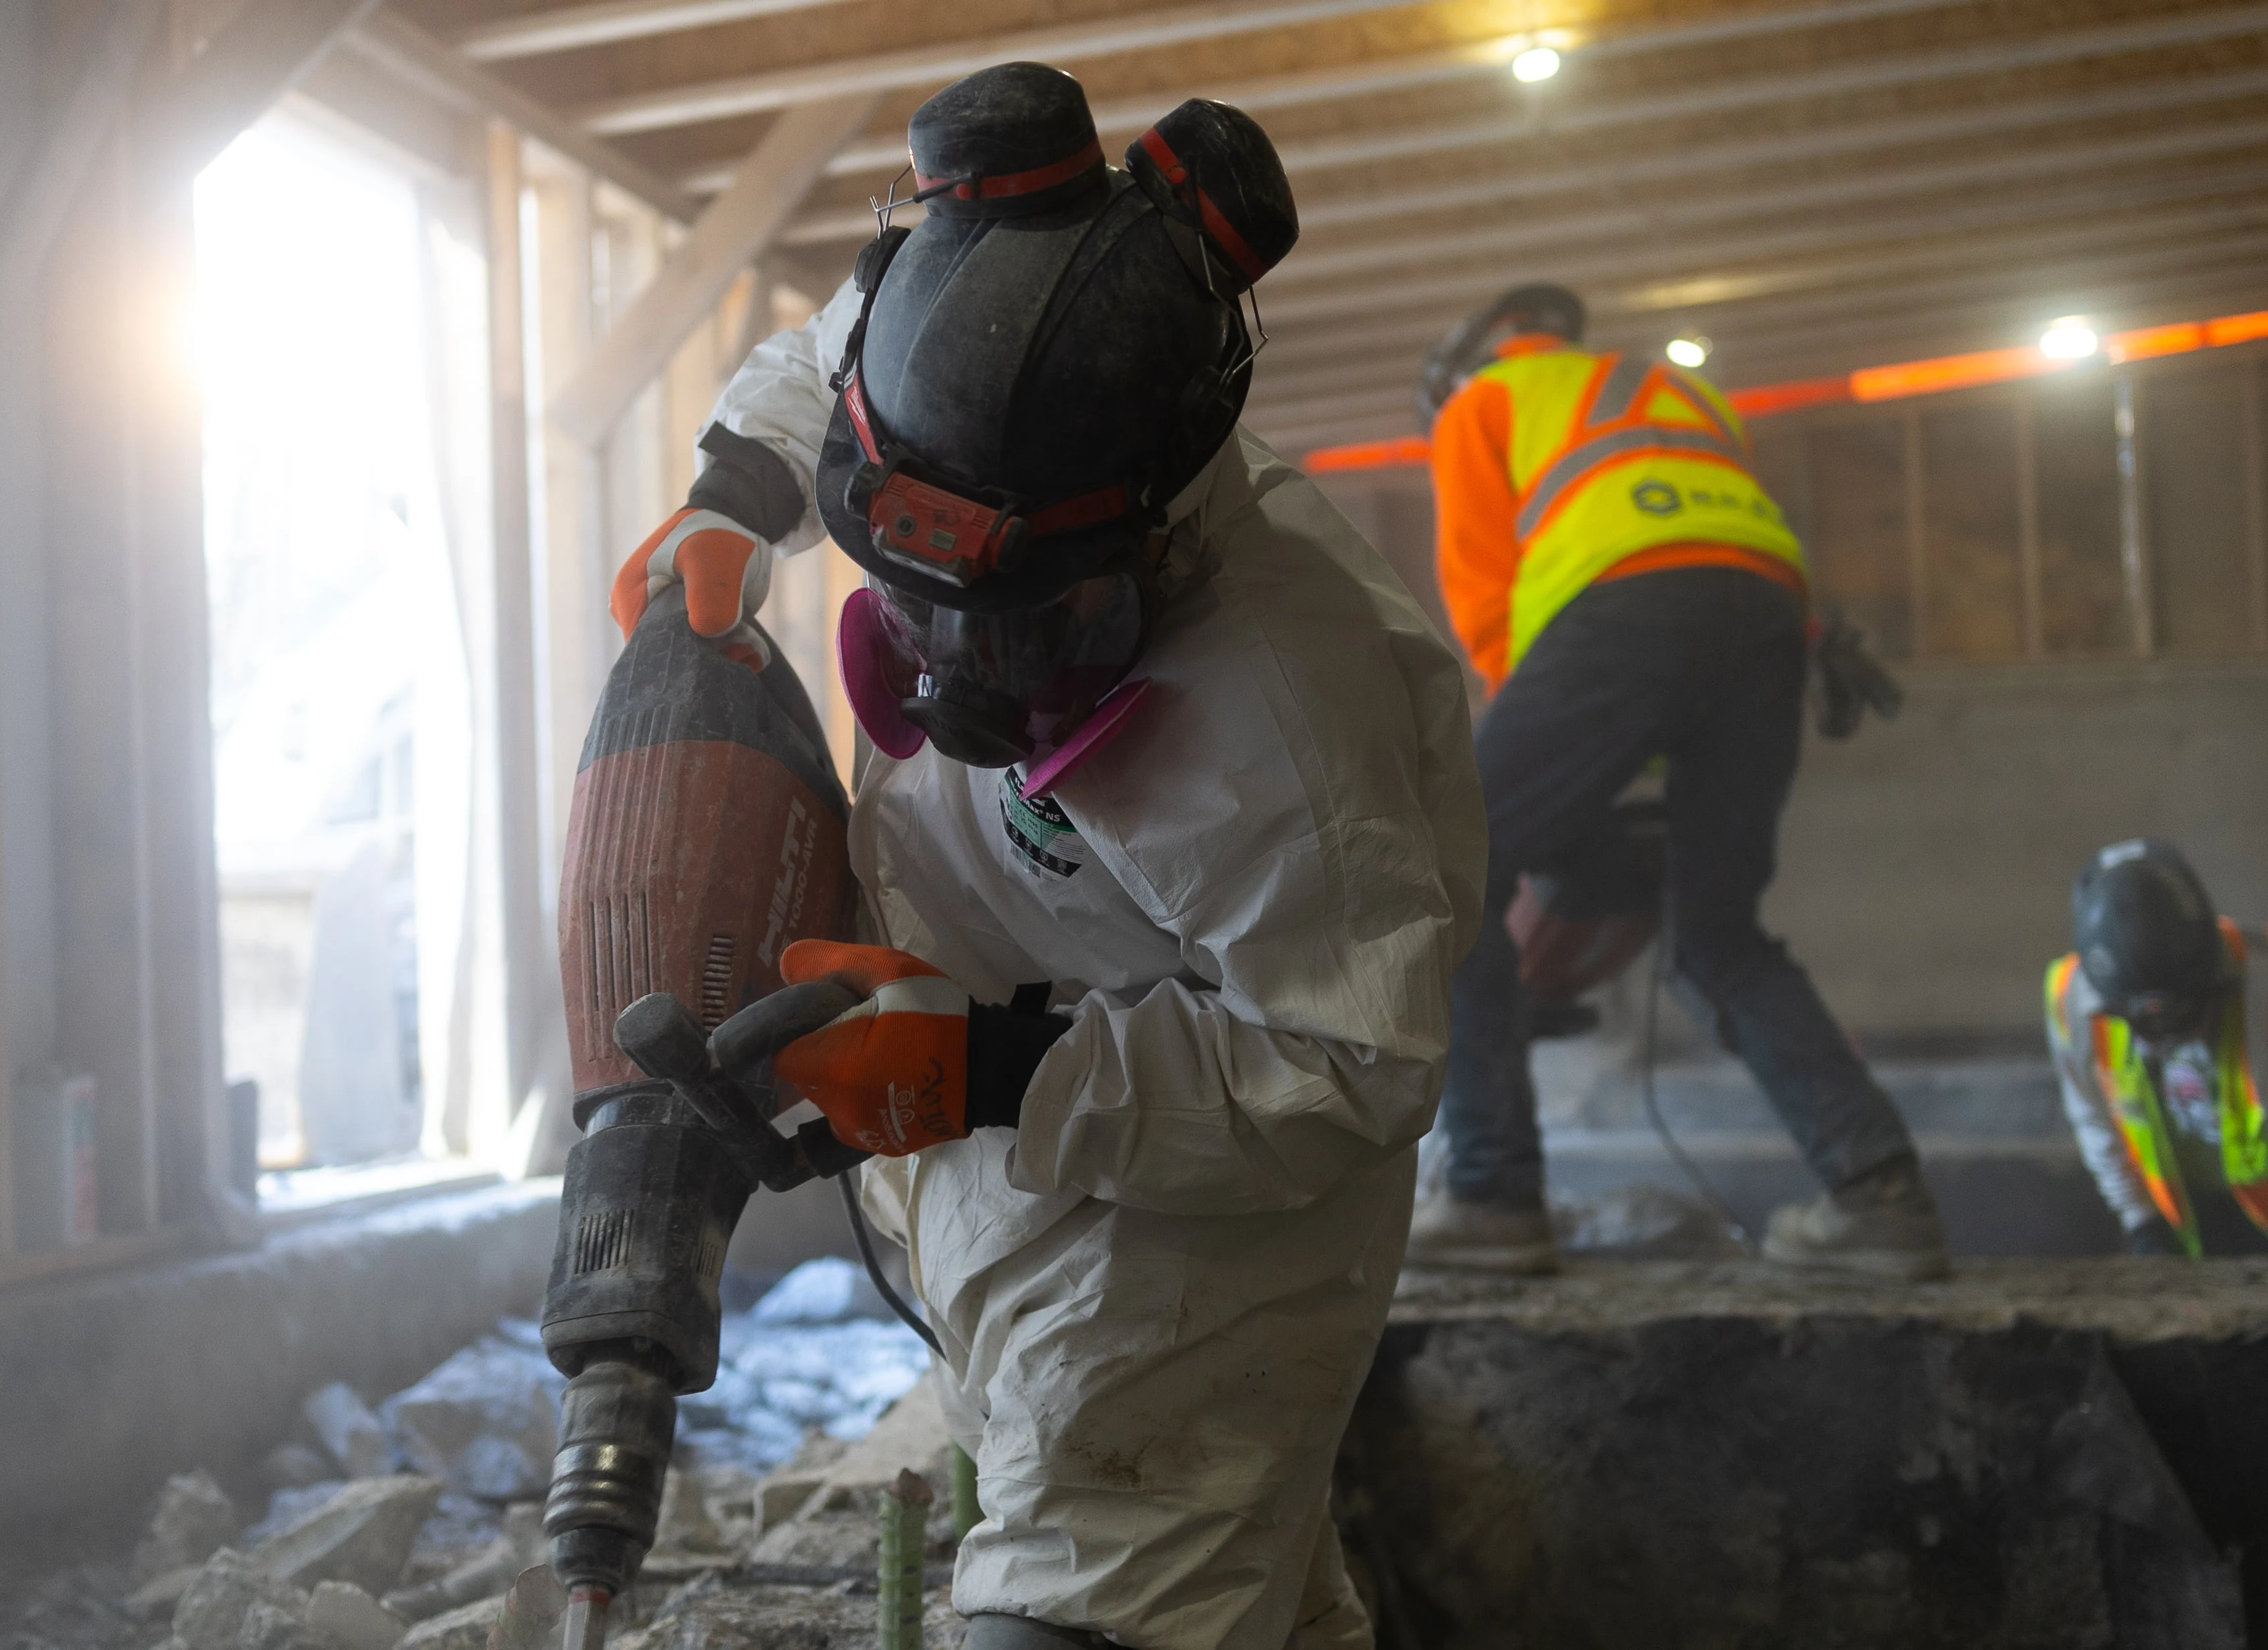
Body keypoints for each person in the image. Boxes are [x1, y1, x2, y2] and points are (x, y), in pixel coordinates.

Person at [610, 65, 1485, 1650]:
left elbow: (1354, 1061)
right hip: (1006, 1153)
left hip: (1194, 1233)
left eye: (1025, 623)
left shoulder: (1277, 705)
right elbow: (824, 358)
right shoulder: (929, 337)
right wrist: (734, 498)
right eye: (912, 597)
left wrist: (995, 1067)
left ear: (1151, 527)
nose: (953, 671)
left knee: (1089, 1599)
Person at [1406, 282, 1949, 1279]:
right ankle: (1881, 1198)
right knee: (1717, 934)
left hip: (1623, 608)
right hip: (1772, 618)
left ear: (1470, 365)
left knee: (1450, 870)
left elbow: (1488, 612)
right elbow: (1710, 562)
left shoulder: (1482, 403)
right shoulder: (1679, 394)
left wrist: (1557, 788)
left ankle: (1488, 1195)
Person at [2046, 839, 2268, 1257]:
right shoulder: (2073, 999)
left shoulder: (2259, 975)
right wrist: (2142, 1222)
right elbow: (2094, 1119)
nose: (2166, 1034)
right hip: (2190, 1220)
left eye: (2187, 1011)